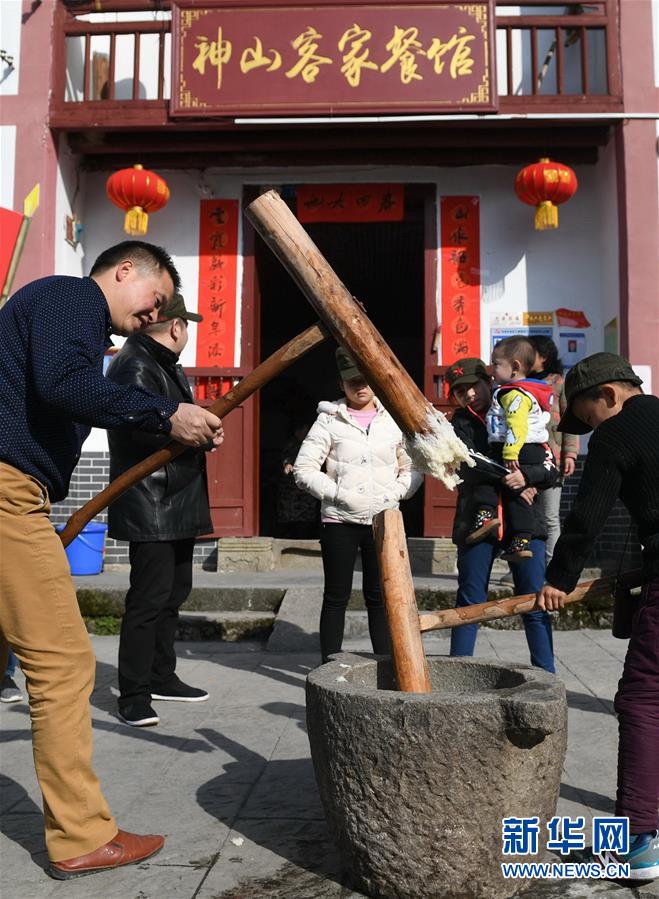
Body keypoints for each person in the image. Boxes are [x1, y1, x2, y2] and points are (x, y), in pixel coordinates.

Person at [0, 242, 224, 878]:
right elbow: (66, 386)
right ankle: (78, 837)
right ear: (125, 270)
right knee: (64, 664)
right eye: (155, 296)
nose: (156, 311)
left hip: (18, 492)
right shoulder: (74, 297)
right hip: (7, 494)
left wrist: (173, 419)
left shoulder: (63, 317)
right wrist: (167, 412)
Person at [537, 352, 659, 880]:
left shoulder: (615, 435)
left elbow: (585, 517)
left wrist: (558, 579)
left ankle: (638, 844)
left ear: (608, 396)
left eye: (585, 417)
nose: (588, 430)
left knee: (643, 698)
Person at [106, 293, 214, 728]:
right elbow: (142, 426)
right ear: (176, 328)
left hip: (176, 496)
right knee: (148, 599)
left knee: (173, 593)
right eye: (186, 326)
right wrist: (198, 434)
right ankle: (133, 692)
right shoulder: (135, 364)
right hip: (151, 500)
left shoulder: (159, 363)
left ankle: (161, 675)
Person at [294, 347, 422, 662]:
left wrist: (394, 494)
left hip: (384, 519)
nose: (360, 387)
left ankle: (383, 664)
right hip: (339, 520)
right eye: (352, 382)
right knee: (336, 596)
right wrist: (339, 495)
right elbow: (304, 470)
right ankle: (329, 667)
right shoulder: (329, 419)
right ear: (341, 384)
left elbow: (413, 468)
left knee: (380, 596)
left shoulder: (393, 419)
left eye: (365, 380)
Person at [445, 357, 555, 672]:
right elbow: (469, 462)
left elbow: (550, 468)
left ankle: (548, 676)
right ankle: (458, 673)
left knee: (535, 601)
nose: (468, 395)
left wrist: (528, 477)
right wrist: (514, 482)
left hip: (525, 524)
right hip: (476, 521)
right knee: (470, 601)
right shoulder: (458, 424)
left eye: (473, 386)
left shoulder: (518, 407)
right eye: (460, 391)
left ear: (488, 380)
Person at [468, 336, 555, 562]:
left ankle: (486, 514)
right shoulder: (524, 391)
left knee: (487, 477)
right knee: (518, 497)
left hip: (518, 449)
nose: (492, 369)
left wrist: (510, 453)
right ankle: (522, 539)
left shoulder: (513, 393)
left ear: (515, 367)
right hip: (527, 450)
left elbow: (517, 424)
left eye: (496, 364)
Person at [529, 335, 579, 562]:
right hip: (525, 460)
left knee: (549, 517)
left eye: (533, 353)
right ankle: (523, 567)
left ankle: (551, 567)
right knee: (525, 514)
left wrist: (570, 453)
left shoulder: (559, 382)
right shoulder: (521, 383)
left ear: (545, 357)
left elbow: (571, 419)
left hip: (553, 458)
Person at [276, 421, 319, 539]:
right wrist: (287, 464)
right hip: (292, 490)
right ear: (297, 433)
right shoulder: (291, 445)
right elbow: (285, 460)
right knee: (290, 518)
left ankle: (306, 536)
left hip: (306, 489)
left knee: (306, 518)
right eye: (304, 432)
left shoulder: (311, 444)